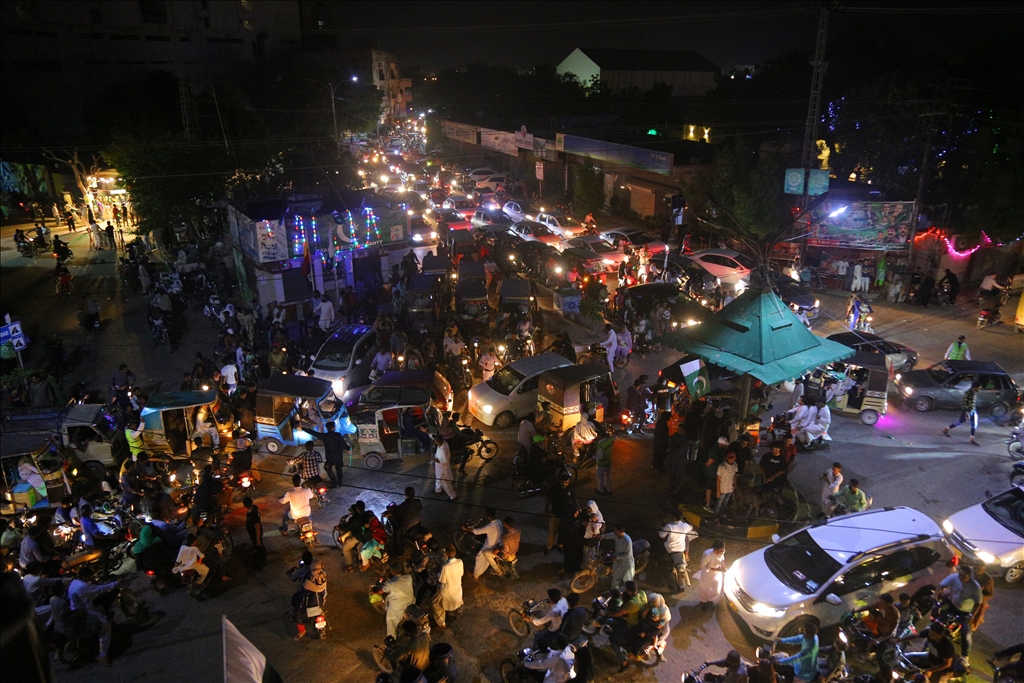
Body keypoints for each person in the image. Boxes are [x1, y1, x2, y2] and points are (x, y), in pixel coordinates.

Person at [67, 569, 121, 666]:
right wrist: (116, 583)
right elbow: (100, 589)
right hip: (86, 611)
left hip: (76, 607)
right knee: (106, 626)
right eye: (89, 576)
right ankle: (102, 655)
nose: (90, 578)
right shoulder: (83, 586)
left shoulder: (75, 582)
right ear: (84, 577)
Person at [936, 565, 981, 656]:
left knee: (966, 633)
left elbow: (978, 604)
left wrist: (971, 615)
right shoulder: (954, 578)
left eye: (964, 577)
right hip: (951, 605)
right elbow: (941, 585)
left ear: (970, 576)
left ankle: (965, 656)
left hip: (964, 612)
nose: (961, 578)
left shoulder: (975, 587)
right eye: (960, 575)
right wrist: (935, 596)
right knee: (937, 620)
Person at [606, 580, 648, 673]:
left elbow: (618, 614)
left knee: (612, 638)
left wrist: (606, 614)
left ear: (629, 591)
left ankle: (624, 662)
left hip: (631, 625)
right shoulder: (642, 594)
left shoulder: (632, 603)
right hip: (640, 621)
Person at [660, 510, 696, 591]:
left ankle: (672, 584)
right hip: (680, 551)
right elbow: (691, 526)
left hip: (669, 549)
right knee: (681, 571)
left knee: (669, 568)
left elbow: (662, 536)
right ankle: (681, 587)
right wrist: (686, 521)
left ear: (673, 518)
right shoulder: (685, 526)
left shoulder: (669, 526)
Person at [293, 560, 328, 640]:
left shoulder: (309, 578)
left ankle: (302, 631)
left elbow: (304, 587)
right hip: (321, 600)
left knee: (297, 612)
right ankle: (322, 630)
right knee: (321, 613)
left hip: (309, 602)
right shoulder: (323, 576)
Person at [466, 508, 503, 579]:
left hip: (490, 545)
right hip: (498, 542)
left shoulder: (490, 526)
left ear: (488, 516)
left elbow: (478, 531)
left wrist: (466, 529)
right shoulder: (499, 521)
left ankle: (475, 575)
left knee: (479, 557)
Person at [434, 544, 464, 629]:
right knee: (456, 600)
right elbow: (461, 573)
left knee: (441, 604)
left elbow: (441, 580)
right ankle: (457, 612)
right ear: (455, 552)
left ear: (446, 553)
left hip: (448, 589)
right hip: (457, 586)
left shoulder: (445, 566)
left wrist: (439, 573)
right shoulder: (460, 561)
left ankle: (443, 621)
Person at [383, 562, 416, 638]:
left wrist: (374, 592)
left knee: (390, 620)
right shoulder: (408, 577)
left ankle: (391, 639)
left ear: (392, 572)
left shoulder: (390, 584)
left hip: (398, 608)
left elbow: (382, 590)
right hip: (410, 602)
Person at [942, 381, 981, 446]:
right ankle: (946, 429)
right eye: (979, 388)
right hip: (967, 411)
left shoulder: (974, 393)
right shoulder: (968, 393)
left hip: (973, 411)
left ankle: (972, 439)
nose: (980, 389)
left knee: (974, 425)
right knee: (960, 422)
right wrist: (966, 412)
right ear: (975, 387)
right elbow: (964, 404)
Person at [531, 587, 569, 651]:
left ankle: (534, 652)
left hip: (557, 629)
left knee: (537, 636)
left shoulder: (555, 611)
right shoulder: (563, 600)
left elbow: (542, 621)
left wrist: (533, 620)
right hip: (564, 621)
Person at [601, 524, 635, 590]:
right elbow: (610, 535)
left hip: (626, 563)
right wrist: (602, 536)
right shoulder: (616, 536)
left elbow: (627, 554)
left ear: (620, 532)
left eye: (615, 530)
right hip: (617, 561)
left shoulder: (627, 541)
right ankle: (614, 592)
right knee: (616, 578)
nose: (614, 532)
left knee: (627, 580)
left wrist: (617, 557)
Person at [697, 539, 727, 611]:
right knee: (704, 589)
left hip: (717, 575)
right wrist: (717, 569)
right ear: (715, 550)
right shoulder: (707, 555)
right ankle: (704, 602)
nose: (723, 551)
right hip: (707, 575)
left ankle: (710, 600)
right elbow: (704, 567)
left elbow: (722, 560)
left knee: (715, 590)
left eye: (723, 550)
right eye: (721, 550)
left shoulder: (722, 552)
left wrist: (724, 566)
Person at [431, 434, 457, 500]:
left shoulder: (443, 450)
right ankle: (438, 491)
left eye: (435, 440)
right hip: (439, 467)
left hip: (443, 469)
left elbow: (446, 461)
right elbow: (433, 436)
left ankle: (453, 496)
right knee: (438, 479)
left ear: (437, 441)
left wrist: (437, 460)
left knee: (446, 483)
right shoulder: (443, 443)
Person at [715, 450, 739, 515]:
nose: (731, 460)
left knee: (725, 502)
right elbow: (718, 479)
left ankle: (722, 514)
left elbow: (735, 475)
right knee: (719, 503)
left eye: (733, 459)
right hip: (722, 489)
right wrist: (718, 491)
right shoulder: (721, 466)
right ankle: (716, 517)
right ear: (727, 458)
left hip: (730, 488)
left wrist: (735, 483)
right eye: (730, 459)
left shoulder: (735, 465)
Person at [971, 563, 993, 631]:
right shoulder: (971, 573)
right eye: (975, 568)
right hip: (966, 594)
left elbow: (990, 594)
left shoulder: (988, 580)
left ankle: (972, 626)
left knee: (977, 611)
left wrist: (981, 597)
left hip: (978, 599)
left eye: (978, 569)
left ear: (984, 569)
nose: (976, 571)